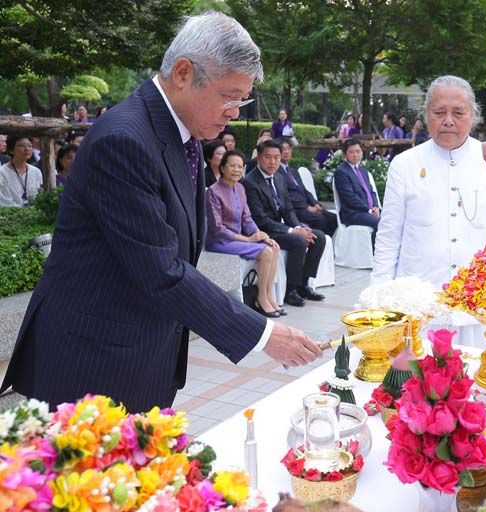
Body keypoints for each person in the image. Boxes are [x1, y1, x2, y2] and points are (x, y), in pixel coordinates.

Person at [0, 12, 322, 413]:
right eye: (229, 97)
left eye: (242, 100)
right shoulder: (125, 140)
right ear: (184, 73)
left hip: (140, 354)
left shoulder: (183, 135)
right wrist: (263, 335)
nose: (235, 112)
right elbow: (163, 271)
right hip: (90, 362)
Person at [372, 75, 486, 346]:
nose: (448, 121)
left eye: (458, 113)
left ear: (473, 115)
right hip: (419, 310)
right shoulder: (404, 164)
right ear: (426, 115)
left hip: (481, 310)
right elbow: (388, 237)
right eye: (439, 112)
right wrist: (378, 300)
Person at [244, 140, 326, 307]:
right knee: (299, 240)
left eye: (277, 157)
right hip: (263, 231)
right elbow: (260, 219)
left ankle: (304, 284)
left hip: (279, 227)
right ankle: (290, 290)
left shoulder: (280, 178)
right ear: (259, 157)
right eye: (268, 157)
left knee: (318, 237)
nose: (273, 162)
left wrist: (298, 227)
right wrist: (292, 231)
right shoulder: (250, 182)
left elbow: (288, 210)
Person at [206, 149, 282, 317]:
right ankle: (261, 298)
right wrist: (248, 240)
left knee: (273, 247)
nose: (236, 170)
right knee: (266, 252)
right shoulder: (213, 191)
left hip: (238, 240)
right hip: (220, 241)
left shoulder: (240, 188)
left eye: (240, 167)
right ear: (223, 168)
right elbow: (217, 228)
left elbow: (247, 218)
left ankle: (269, 295)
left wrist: (260, 234)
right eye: (232, 166)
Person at [278, 139, 338, 237]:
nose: (286, 152)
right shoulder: (277, 172)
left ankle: (328, 243)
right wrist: (307, 207)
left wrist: (315, 204)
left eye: (288, 148)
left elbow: (304, 190)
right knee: (320, 219)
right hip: (295, 209)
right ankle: (316, 242)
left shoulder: (293, 170)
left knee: (333, 218)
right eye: (283, 149)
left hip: (306, 206)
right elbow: (286, 195)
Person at [333, 138, 381, 231]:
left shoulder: (363, 170)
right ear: (344, 154)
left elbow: (371, 192)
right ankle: (375, 241)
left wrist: (376, 207)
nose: (355, 155)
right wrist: (369, 210)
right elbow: (349, 197)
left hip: (368, 211)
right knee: (381, 224)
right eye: (351, 152)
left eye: (358, 151)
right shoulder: (341, 172)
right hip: (353, 213)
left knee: (392, 220)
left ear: (362, 153)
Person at [0, 136, 43, 206]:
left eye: (30, 146)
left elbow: (40, 197)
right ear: (11, 150)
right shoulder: (2, 172)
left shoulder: (36, 172)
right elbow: (4, 201)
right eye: (22, 145)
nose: (27, 149)